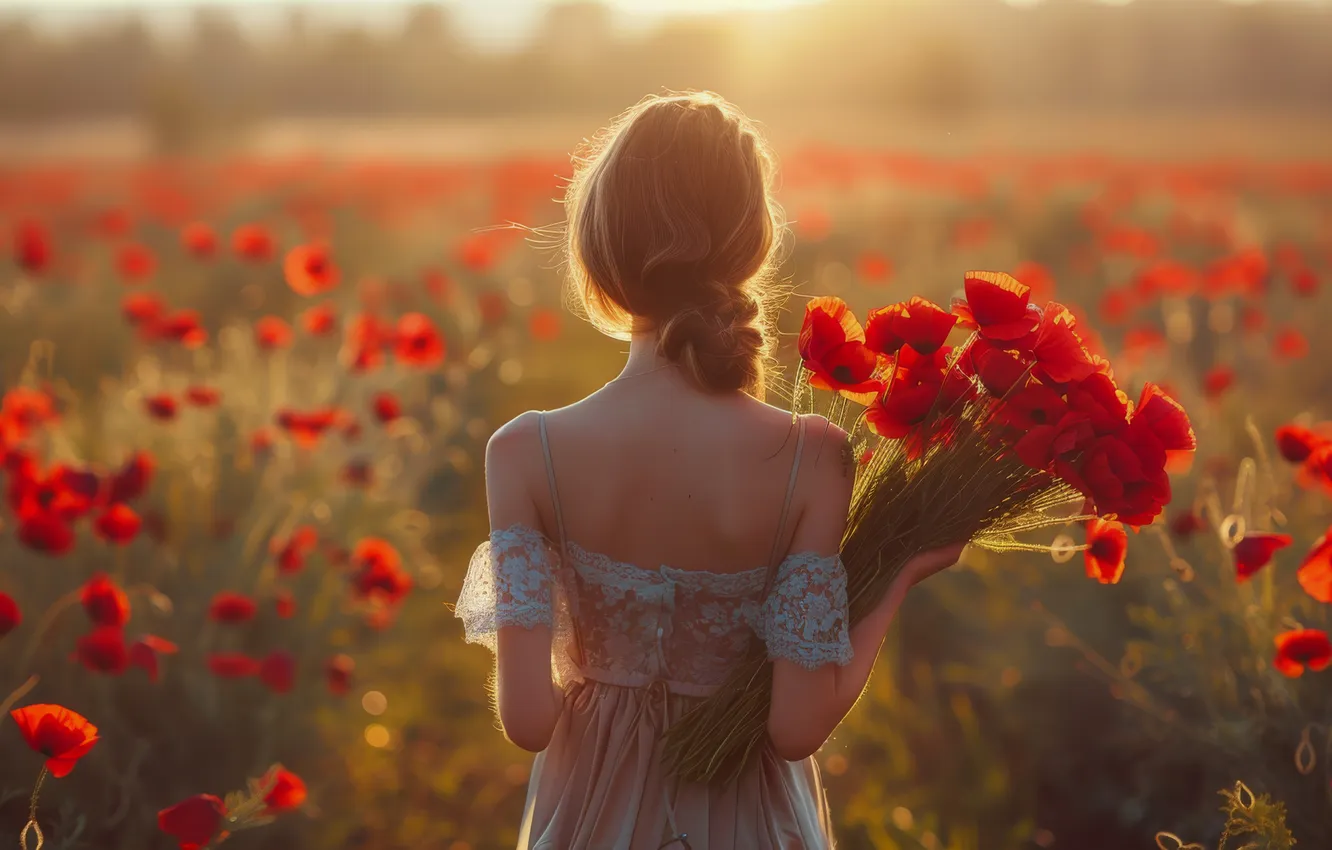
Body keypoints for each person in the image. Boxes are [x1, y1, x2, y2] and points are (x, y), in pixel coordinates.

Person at [453, 91, 965, 850]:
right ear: (752, 246)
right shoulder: (811, 457)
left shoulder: (524, 452)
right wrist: (894, 580)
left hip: (593, 819)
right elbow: (795, 730)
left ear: (598, 252)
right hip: (745, 818)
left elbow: (529, 724)